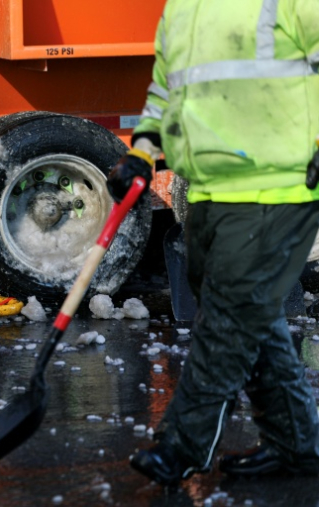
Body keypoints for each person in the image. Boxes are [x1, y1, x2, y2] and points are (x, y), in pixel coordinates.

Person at [107, 0, 319, 485]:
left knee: (229, 318)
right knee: (247, 317)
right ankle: (297, 446)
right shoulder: (182, 8)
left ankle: (181, 447)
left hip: (279, 188)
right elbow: (167, 86)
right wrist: (141, 151)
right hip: (207, 190)